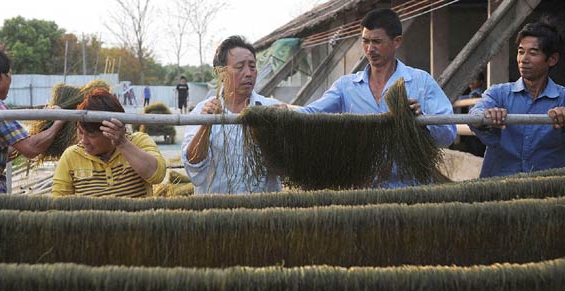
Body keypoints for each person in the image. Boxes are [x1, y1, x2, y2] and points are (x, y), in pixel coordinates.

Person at [299, 8, 456, 188]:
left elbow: (447, 135)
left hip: (412, 191)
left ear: (397, 42)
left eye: (377, 42)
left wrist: (423, 119)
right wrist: (283, 113)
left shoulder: (421, 82)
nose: (370, 49)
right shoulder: (346, 87)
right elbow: (311, 113)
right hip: (361, 191)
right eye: (365, 41)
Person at [181, 35, 282, 194]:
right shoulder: (202, 112)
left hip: (264, 212)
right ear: (221, 72)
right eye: (240, 66)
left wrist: (282, 127)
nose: (248, 73)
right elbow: (193, 165)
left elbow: (284, 166)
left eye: (252, 66)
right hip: (216, 212)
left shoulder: (269, 109)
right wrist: (206, 125)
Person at [468, 20, 565, 178]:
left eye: (533, 53)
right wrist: (486, 115)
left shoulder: (563, 98)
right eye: (521, 51)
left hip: (548, 191)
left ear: (552, 59)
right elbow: (475, 114)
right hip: (499, 190)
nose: (523, 59)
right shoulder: (498, 93)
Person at [0, 47, 65, 194]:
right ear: (0, 77)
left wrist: (28, 137)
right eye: (9, 74)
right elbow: (31, 149)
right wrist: (58, 123)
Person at [52, 89, 166, 197]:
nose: (84, 141)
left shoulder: (139, 142)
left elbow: (157, 176)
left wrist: (123, 144)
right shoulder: (71, 156)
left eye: (92, 135)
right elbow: (58, 202)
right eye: (80, 132)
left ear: (112, 129)